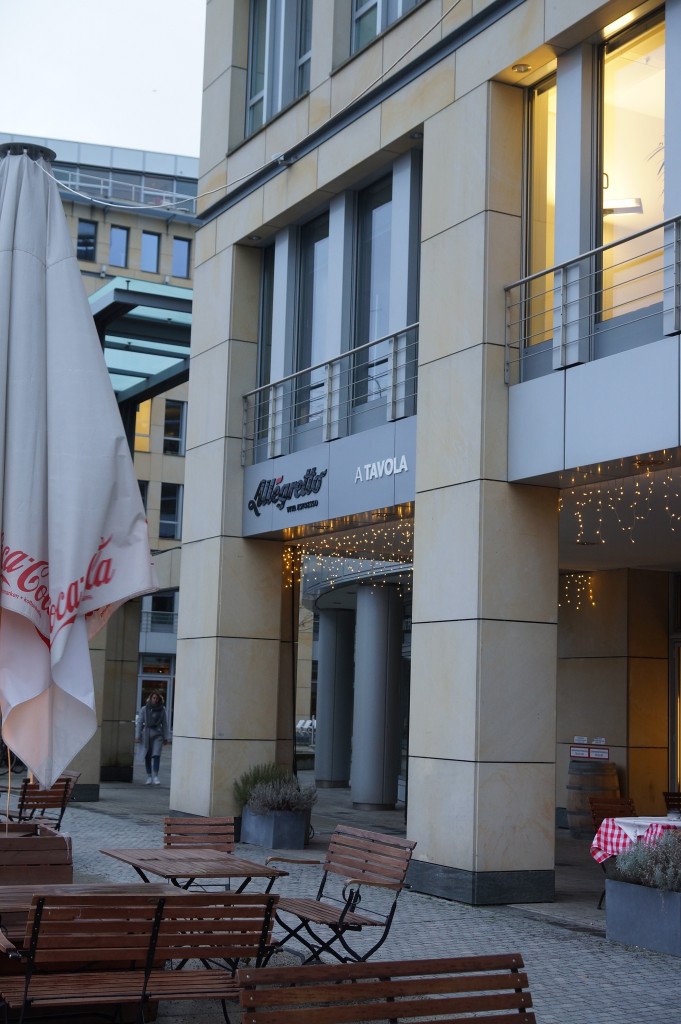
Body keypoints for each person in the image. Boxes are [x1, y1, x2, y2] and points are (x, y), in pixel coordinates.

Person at [135, 690, 171, 785]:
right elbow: (139, 722)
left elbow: (165, 724)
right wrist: (137, 735)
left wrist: (166, 737)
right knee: (148, 755)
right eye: (153, 698)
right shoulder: (144, 709)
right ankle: (149, 776)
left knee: (156, 755)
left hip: (158, 735)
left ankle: (155, 776)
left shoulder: (162, 710)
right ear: (150, 698)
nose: (155, 700)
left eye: (157, 698)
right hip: (146, 734)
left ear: (159, 699)